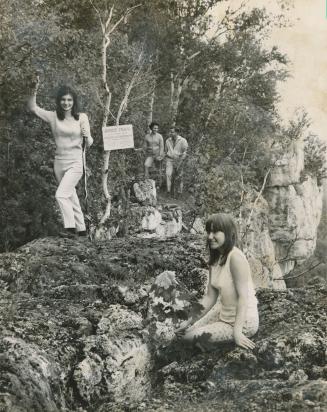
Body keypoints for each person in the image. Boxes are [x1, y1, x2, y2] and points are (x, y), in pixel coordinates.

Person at [176, 213, 259, 351]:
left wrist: (237, 333)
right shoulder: (215, 259)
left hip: (243, 321)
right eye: (208, 232)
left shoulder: (235, 258)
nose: (210, 237)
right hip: (223, 313)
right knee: (182, 332)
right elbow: (209, 298)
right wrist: (188, 321)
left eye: (215, 232)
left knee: (188, 338)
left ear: (228, 232)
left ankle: (210, 347)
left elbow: (243, 297)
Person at [27, 76, 93, 238]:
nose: (66, 103)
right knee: (71, 196)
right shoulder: (52, 116)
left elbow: (89, 142)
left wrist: (87, 136)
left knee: (60, 194)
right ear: (59, 101)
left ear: (74, 101)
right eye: (63, 100)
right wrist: (34, 88)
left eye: (69, 100)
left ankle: (69, 228)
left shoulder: (82, 117)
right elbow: (33, 108)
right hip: (59, 163)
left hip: (76, 163)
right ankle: (82, 230)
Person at [165, 126, 188, 195]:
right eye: (170, 132)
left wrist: (180, 161)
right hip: (170, 159)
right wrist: (167, 155)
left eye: (172, 132)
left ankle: (179, 192)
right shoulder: (167, 140)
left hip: (179, 160)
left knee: (179, 176)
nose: (170, 133)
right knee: (168, 174)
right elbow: (166, 151)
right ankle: (168, 191)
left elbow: (185, 151)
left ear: (177, 132)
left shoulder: (183, 140)